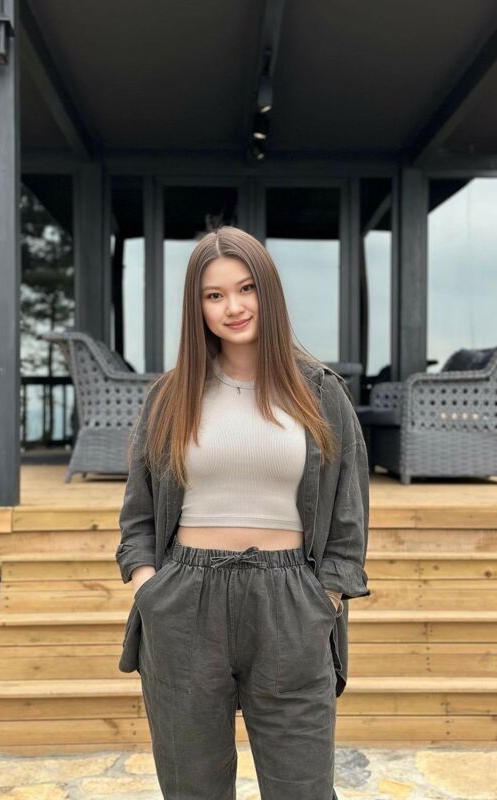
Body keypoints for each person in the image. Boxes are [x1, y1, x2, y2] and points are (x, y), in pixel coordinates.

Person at [115, 225, 370, 800]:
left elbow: (348, 522)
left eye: (246, 288)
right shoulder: (170, 397)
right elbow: (138, 516)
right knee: (193, 790)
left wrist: (324, 598)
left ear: (268, 292)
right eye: (214, 294)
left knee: (304, 790)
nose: (233, 307)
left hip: (291, 602)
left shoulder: (320, 393)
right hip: (185, 601)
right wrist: (150, 588)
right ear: (198, 307)